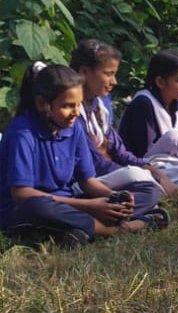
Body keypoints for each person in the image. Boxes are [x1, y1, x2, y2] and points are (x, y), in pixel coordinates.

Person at [1, 64, 167, 246]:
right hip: (28, 210)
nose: (76, 113)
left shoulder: (74, 129)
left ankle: (76, 231)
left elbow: (87, 182)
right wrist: (89, 206)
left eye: (79, 104)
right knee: (38, 207)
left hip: (70, 204)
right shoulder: (22, 133)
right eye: (67, 106)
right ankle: (120, 229)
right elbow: (21, 194)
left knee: (149, 190)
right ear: (43, 104)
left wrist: (114, 198)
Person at [70, 39, 178, 200]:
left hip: (113, 172)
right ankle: (151, 193)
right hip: (89, 180)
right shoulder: (72, 111)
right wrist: (145, 174)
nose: (113, 81)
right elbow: (96, 164)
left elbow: (119, 151)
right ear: (84, 72)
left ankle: (154, 188)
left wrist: (155, 172)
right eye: (108, 74)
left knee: (176, 166)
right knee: (136, 175)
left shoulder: (102, 104)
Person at [118, 49, 178, 177]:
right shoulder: (143, 103)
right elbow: (142, 153)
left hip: (177, 160)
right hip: (147, 164)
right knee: (176, 136)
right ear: (160, 82)